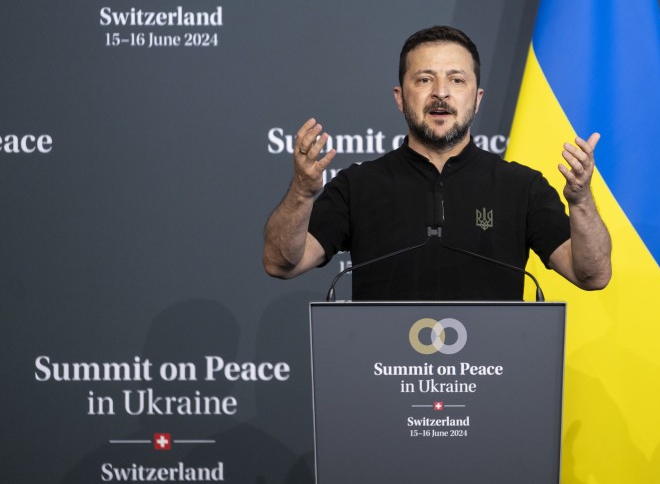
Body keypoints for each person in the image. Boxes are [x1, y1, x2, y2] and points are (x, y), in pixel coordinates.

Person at [262, 25, 611, 300]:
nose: (441, 93)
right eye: (424, 79)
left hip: (491, 378)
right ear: (401, 98)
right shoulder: (358, 185)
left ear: (477, 99)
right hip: (385, 377)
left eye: (456, 80)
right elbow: (281, 263)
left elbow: (592, 275)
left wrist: (581, 201)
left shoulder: (522, 187)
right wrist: (302, 194)